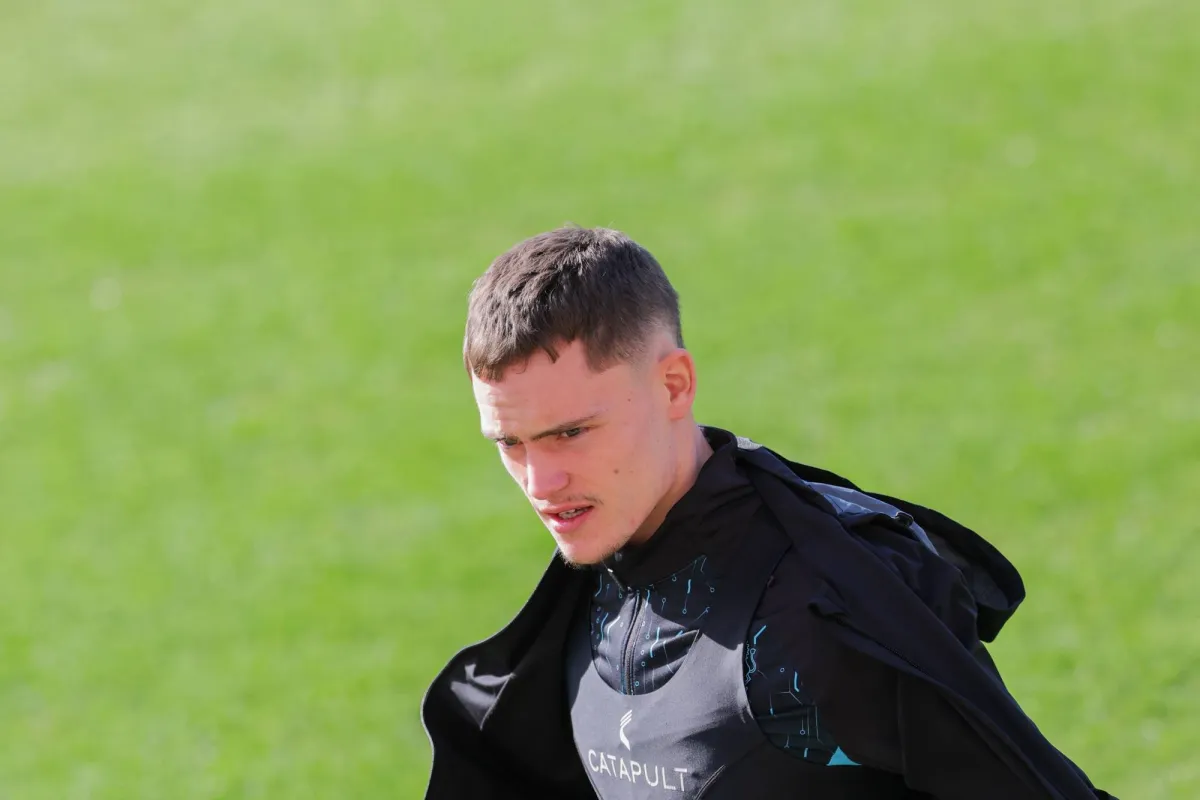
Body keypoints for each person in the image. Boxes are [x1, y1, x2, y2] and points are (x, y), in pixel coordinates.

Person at [420, 226, 1116, 799]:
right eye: (510, 443)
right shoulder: (592, 576)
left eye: (571, 432)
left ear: (673, 385)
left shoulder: (822, 610)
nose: (540, 481)